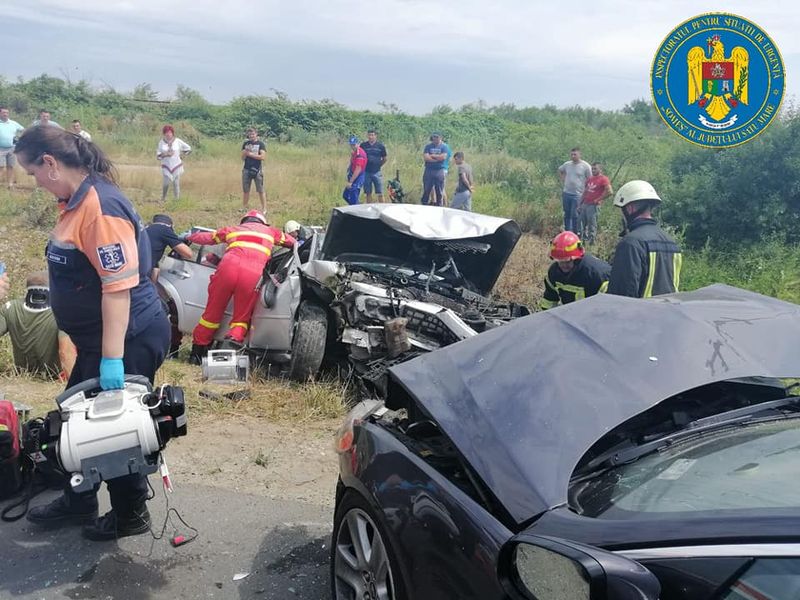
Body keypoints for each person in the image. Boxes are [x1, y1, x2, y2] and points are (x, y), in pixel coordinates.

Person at [14, 125, 171, 541]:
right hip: (99, 340)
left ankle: (130, 513)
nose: (35, 182)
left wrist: (113, 360)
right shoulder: (77, 200)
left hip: (127, 337)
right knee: (75, 419)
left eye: (33, 172)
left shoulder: (100, 208)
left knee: (112, 429)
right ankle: (79, 499)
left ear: (50, 163)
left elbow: (117, 289)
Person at [186, 210, 295, 362]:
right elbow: (292, 242)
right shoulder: (271, 232)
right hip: (252, 274)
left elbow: (207, 238)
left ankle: (196, 355)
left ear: (244, 221)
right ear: (263, 223)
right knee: (241, 319)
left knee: (211, 314)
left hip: (227, 269)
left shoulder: (233, 229)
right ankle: (225, 357)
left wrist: (189, 236)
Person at [607, 180, 682, 298]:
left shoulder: (631, 242)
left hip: (641, 309)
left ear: (630, 208)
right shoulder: (672, 243)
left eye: (622, 209)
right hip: (668, 308)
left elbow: (621, 295)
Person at [0, 271, 77, 379]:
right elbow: (65, 352)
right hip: (53, 378)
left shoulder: (10, 308)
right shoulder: (62, 313)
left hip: (22, 375)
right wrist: (75, 383)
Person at [539, 231, 610, 310]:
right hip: (572, 315)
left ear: (577, 259)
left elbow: (609, 306)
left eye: (568, 261)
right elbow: (549, 300)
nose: (564, 265)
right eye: (560, 261)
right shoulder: (554, 273)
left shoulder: (596, 275)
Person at [145, 213, 193, 281]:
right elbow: (188, 254)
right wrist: (185, 238)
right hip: (141, 272)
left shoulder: (144, 229)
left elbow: (152, 256)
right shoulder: (164, 229)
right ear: (170, 225)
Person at [558, 147, 591, 233]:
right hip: (566, 193)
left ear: (580, 154)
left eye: (575, 154)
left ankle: (576, 233)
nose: (573, 156)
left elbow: (590, 179)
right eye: (571, 154)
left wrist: (587, 191)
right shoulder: (567, 164)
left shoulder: (585, 166)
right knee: (567, 213)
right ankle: (567, 231)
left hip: (578, 194)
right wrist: (563, 179)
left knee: (575, 214)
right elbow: (560, 170)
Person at [578, 162, 613, 245]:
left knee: (592, 225)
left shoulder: (604, 179)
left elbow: (610, 192)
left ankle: (591, 243)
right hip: (585, 204)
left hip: (593, 205)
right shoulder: (590, 179)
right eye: (592, 169)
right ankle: (582, 242)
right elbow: (585, 191)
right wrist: (580, 204)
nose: (593, 170)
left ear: (600, 169)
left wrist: (598, 200)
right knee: (581, 224)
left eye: (595, 169)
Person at [157, 125, 191, 201]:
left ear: (172, 133)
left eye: (170, 132)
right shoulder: (161, 142)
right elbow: (158, 155)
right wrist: (165, 154)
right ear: (164, 133)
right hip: (166, 165)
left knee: (176, 183)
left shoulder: (177, 141)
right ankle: (163, 198)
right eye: (166, 132)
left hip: (176, 164)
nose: (168, 134)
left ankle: (177, 200)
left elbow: (188, 148)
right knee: (166, 183)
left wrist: (183, 155)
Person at [241, 127, 267, 212]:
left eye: (253, 134)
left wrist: (250, 154)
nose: (251, 136)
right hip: (246, 169)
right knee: (246, 190)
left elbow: (262, 157)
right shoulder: (246, 144)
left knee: (260, 190)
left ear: (256, 134)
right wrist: (245, 152)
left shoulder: (261, 144)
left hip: (257, 170)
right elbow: (242, 158)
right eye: (249, 134)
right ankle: (244, 207)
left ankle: (264, 209)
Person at [421, 132, 449, 206]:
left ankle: (439, 205)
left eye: (437, 137)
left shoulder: (444, 147)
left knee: (439, 191)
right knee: (427, 189)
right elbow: (426, 158)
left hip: (439, 170)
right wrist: (437, 159)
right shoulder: (428, 146)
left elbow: (443, 157)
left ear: (440, 138)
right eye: (434, 137)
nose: (435, 138)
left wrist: (432, 156)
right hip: (429, 170)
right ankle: (424, 204)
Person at [0, 106, 24, 189]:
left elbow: (23, 130)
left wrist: (20, 138)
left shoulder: (13, 123)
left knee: (10, 166)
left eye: (7, 112)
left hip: (12, 148)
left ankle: (10, 185)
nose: (5, 114)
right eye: (3, 112)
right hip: (0, 149)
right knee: (1, 167)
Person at [360, 130, 387, 203]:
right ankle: (369, 208)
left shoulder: (380, 146)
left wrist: (378, 165)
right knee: (368, 193)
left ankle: (382, 207)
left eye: (372, 135)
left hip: (377, 172)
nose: (370, 137)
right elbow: (360, 156)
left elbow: (385, 159)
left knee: (380, 192)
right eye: (369, 135)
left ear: (375, 136)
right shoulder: (363, 145)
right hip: (366, 172)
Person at [342, 136, 367, 206]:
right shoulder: (354, 152)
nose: (352, 146)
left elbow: (358, 169)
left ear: (358, 144)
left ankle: (356, 208)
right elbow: (353, 162)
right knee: (346, 195)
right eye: (351, 145)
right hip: (353, 175)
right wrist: (349, 167)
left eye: (354, 144)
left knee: (353, 196)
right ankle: (356, 206)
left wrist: (351, 182)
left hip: (358, 176)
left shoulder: (360, 155)